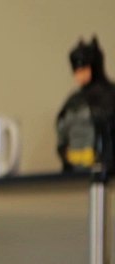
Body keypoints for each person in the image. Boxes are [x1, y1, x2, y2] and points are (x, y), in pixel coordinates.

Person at [57, 36, 115, 171]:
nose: (79, 75)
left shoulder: (110, 96)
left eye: (83, 69)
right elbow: (62, 136)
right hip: (75, 171)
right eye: (76, 71)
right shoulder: (73, 101)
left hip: (104, 170)